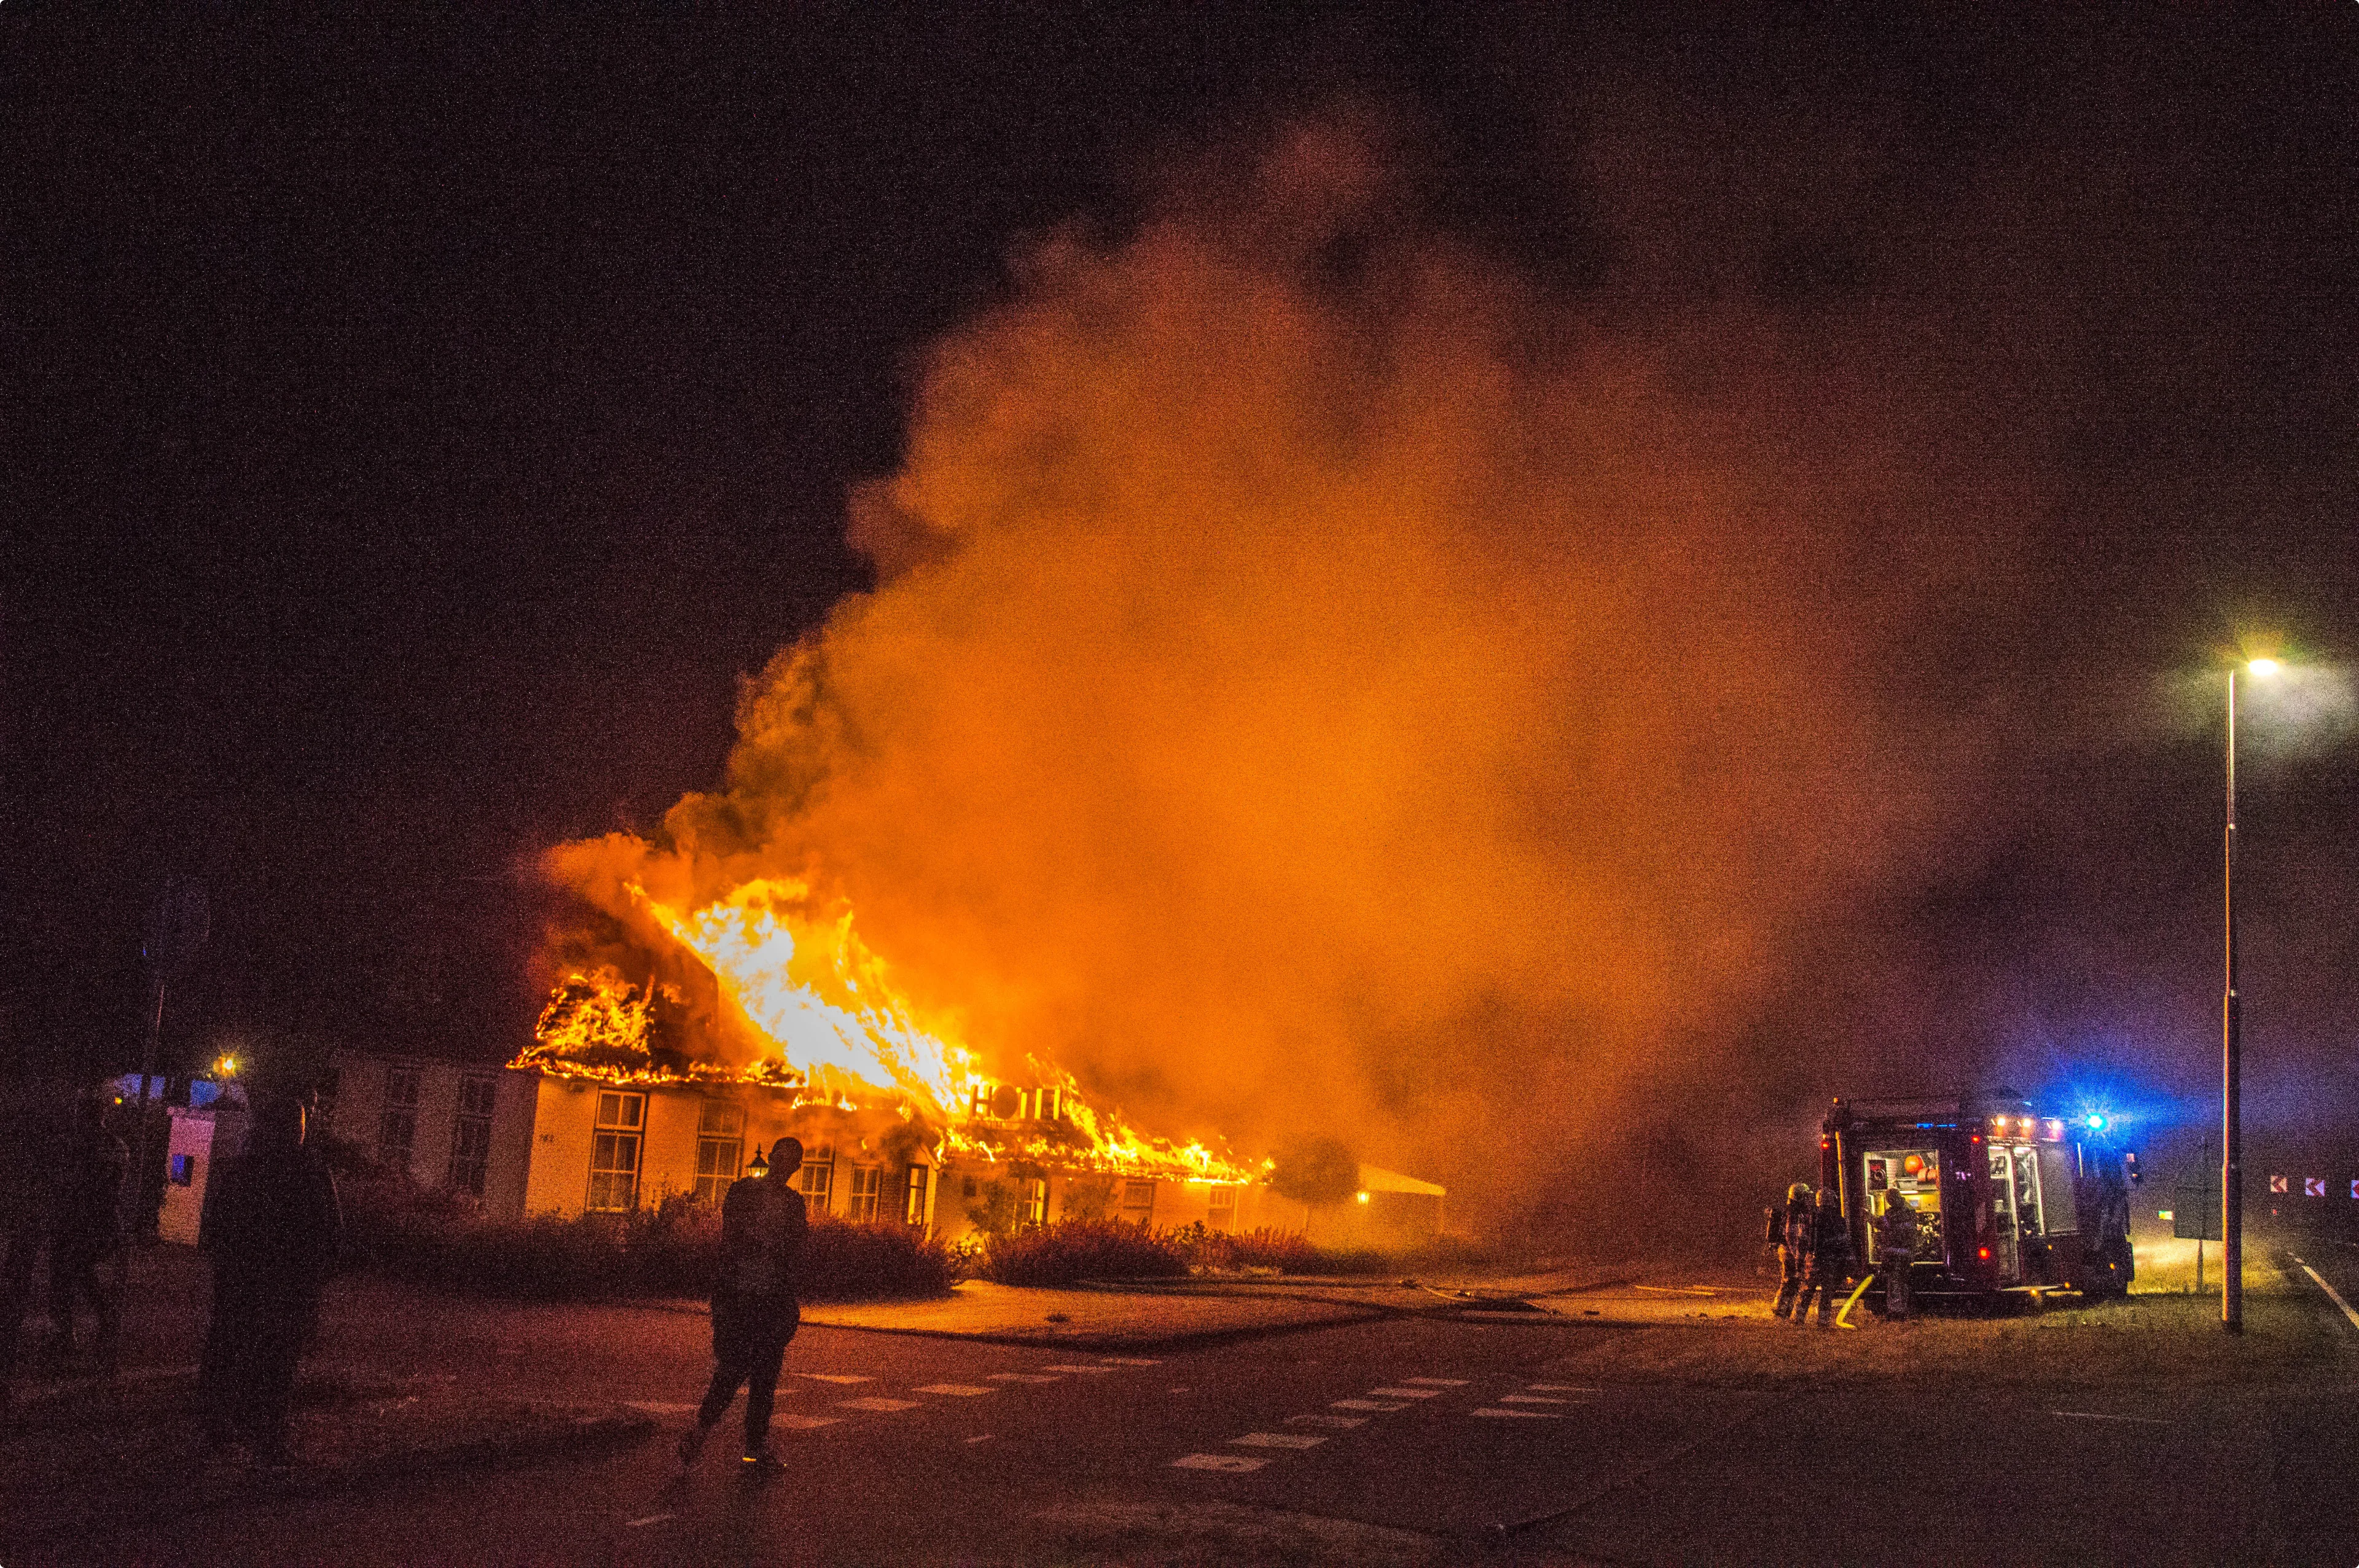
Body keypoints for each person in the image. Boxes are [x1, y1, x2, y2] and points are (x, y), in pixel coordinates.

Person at [198, 1091, 342, 1465]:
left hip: (243, 1283)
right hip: (286, 1289)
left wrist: (229, 1266)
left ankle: (219, 1427)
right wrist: (314, 1280)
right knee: (275, 1363)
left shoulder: (242, 1170)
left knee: (231, 1351)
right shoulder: (310, 1173)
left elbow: (216, 1225)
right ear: (297, 1129)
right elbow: (331, 1235)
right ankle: (266, 1439)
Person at [680, 1136, 809, 1474]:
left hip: (769, 1301)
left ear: (795, 1167)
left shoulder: (791, 1203)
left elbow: (797, 1253)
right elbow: (734, 1238)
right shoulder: (743, 1193)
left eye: (790, 1161)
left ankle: (749, 1449)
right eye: (780, 1158)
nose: (783, 1166)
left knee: (761, 1380)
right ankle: (702, 1436)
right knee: (735, 1372)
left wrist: (787, 1304)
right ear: (773, 1158)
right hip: (741, 1297)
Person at [47, 1093, 129, 1369]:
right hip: (97, 1220)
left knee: (69, 1272)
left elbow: (70, 1182)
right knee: (75, 1272)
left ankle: (73, 1332)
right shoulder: (112, 1144)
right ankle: (89, 1326)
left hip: (84, 1219)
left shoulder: (80, 1143)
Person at [1794, 1186, 1854, 1329]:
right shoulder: (1839, 1220)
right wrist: (1848, 1261)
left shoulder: (1813, 1218)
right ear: (1832, 1201)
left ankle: (1798, 1318)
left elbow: (1805, 1240)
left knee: (1808, 1289)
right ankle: (1823, 1321)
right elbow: (1844, 1242)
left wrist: (1803, 1258)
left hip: (1815, 1260)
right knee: (1827, 1292)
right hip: (1830, 1260)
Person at [1874, 1188, 1920, 1322]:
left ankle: (1896, 1311)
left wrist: (1871, 1219)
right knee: (1902, 1281)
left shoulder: (1895, 1213)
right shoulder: (1908, 1210)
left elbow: (1886, 1227)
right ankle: (1902, 1309)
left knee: (1894, 1282)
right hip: (1905, 1252)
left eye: (1889, 1199)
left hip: (1895, 1252)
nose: (1888, 1202)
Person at [1770, 1182, 1813, 1319]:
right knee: (1789, 1280)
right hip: (1789, 1251)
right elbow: (1791, 1235)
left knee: (1792, 1281)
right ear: (1798, 1197)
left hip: (1789, 1250)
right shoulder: (1793, 1213)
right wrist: (1797, 1256)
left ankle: (1784, 1311)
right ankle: (1780, 1309)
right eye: (1805, 1196)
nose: (1808, 1199)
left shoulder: (1796, 1211)